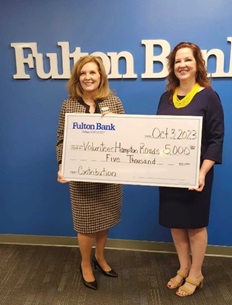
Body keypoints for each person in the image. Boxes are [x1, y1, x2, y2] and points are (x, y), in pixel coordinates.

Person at [156, 42, 224, 297]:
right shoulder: (165, 97)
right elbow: (156, 137)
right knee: (175, 223)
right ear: (173, 67)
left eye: (188, 60)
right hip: (169, 173)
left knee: (194, 225)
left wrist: (202, 172)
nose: (182, 65)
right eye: (177, 61)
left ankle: (196, 273)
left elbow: (217, 139)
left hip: (197, 174)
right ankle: (184, 267)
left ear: (198, 65)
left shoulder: (208, 96)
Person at [56, 55, 125, 290]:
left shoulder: (114, 102)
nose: (88, 77)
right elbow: (62, 139)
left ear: (101, 76)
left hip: (108, 176)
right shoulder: (69, 105)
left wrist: (119, 122)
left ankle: (100, 257)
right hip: (82, 176)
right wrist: (62, 165)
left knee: (103, 219)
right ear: (78, 78)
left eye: (92, 73)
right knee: (85, 224)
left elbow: (129, 136)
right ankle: (86, 263)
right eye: (83, 73)